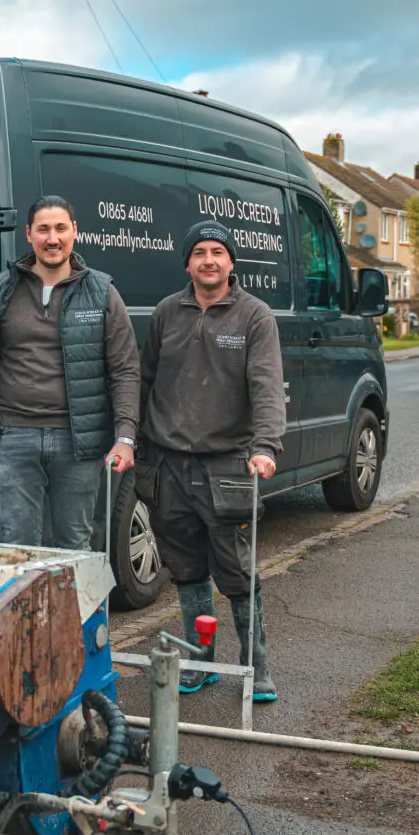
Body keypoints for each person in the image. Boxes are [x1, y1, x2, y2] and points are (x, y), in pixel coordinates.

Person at [0, 196, 141, 550]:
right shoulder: (2, 290)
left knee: (75, 546)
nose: (52, 238)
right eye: (43, 229)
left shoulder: (102, 292)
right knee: (19, 546)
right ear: (28, 235)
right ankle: (29, 609)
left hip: (79, 442)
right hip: (14, 440)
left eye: (60, 228)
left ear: (75, 232)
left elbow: (125, 369)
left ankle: (68, 609)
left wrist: (125, 436)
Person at [138, 220, 284, 698]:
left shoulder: (254, 316)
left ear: (230, 262)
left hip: (228, 467)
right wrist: (128, 438)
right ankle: (201, 662)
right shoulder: (166, 313)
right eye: (199, 252)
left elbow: (265, 387)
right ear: (187, 263)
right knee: (186, 570)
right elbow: (143, 380)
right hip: (168, 466)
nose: (208, 260)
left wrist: (265, 447)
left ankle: (255, 666)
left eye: (217, 251)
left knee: (236, 572)